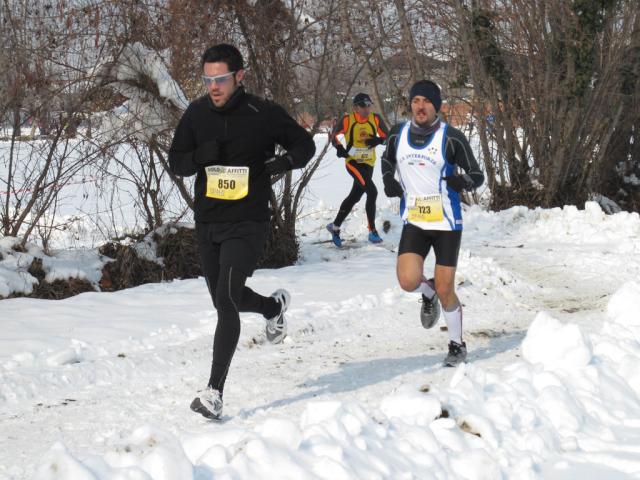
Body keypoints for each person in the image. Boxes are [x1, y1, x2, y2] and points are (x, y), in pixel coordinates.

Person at [168, 44, 316, 419]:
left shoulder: (262, 114)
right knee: (224, 299)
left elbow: (305, 144)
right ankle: (272, 307)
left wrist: (281, 163)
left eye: (220, 79)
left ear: (240, 76)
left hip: (248, 221)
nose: (213, 87)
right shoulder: (197, 113)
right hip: (208, 221)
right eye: (207, 79)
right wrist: (202, 155)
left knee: (228, 301)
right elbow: (177, 161)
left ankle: (214, 393)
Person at [381, 80, 484, 367]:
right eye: (416, 101)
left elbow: (477, 174)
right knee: (407, 281)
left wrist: (462, 180)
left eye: (426, 101)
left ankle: (456, 344)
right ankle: (427, 295)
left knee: (445, 288)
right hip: (415, 220)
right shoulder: (397, 134)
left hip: (446, 224)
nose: (420, 106)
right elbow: (387, 160)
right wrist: (389, 178)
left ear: (436, 106)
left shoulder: (451, 137)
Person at [326, 93, 389, 247]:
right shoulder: (348, 120)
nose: (367, 109)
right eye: (363, 106)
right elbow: (333, 135)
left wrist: (379, 140)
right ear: (355, 107)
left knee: (355, 196)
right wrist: (339, 148)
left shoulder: (375, 119)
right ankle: (372, 231)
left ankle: (334, 227)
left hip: (369, 163)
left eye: (369, 106)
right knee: (372, 192)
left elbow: (389, 137)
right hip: (353, 163)